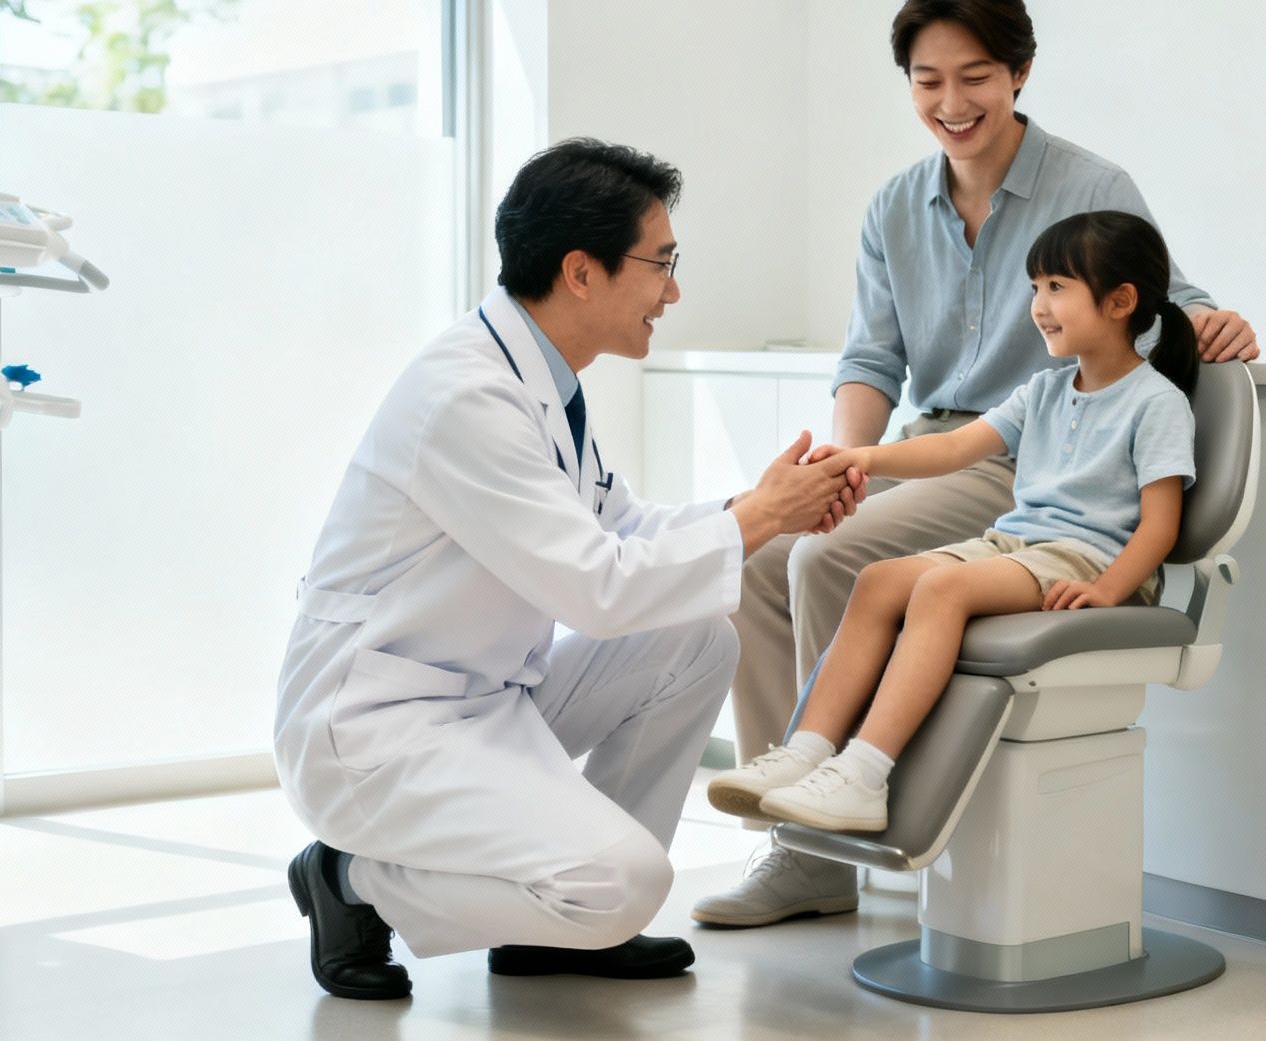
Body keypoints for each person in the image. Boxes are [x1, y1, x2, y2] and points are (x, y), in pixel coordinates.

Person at [695, 0, 1257, 929]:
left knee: (833, 559)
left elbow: (1160, 296)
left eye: (976, 77)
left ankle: (845, 817)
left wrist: (1216, 319)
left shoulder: (1090, 186)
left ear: (1021, 73)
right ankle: (803, 832)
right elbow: (872, 355)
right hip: (925, 445)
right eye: (927, 81)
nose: (952, 103)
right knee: (765, 558)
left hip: (1019, 459)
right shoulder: (892, 208)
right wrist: (844, 467)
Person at [274, 140, 862, 1000]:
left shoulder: (542, 381)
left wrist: (763, 510)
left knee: (695, 636)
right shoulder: (467, 397)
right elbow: (597, 589)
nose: (673, 291)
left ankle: (561, 932)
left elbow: (623, 528)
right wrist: (760, 518)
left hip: (476, 702)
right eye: (661, 264)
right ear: (581, 272)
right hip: (377, 729)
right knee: (622, 887)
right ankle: (350, 880)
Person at [707, 211, 1195, 833]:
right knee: (880, 580)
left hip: (1086, 559)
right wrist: (863, 455)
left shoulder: (1157, 403)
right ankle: (806, 753)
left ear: (1121, 300)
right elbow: (951, 449)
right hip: (1017, 545)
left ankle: (865, 772)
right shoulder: (1044, 390)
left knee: (939, 588)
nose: (1037, 305)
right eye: (1035, 287)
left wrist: (1109, 589)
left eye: (1056, 287)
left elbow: (1161, 524)